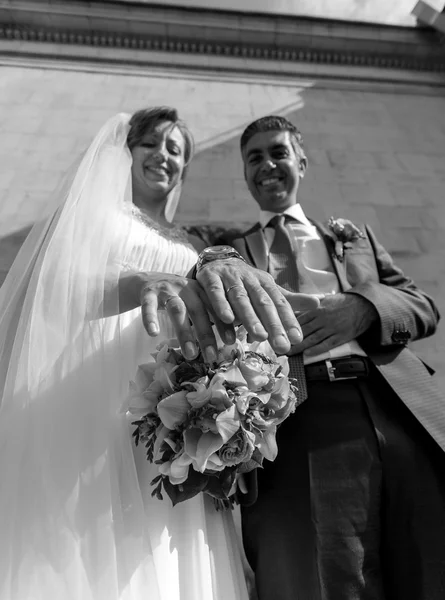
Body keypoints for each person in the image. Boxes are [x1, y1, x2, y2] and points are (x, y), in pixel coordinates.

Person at [0, 107, 318, 600]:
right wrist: (140, 282)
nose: (163, 156)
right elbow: (41, 296)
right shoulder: (89, 219)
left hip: (174, 420)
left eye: (177, 151)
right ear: (123, 153)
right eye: (151, 144)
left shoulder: (196, 243)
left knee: (170, 551)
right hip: (91, 406)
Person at [200, 115, 445, 600]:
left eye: (278, 153)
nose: (268, 165)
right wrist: (216, 258)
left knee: (428, 563)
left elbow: (422, 306)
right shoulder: (230, 248)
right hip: (296, 421)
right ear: (246, 176)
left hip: (394, 408)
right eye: (255, 158)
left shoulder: (355, 239)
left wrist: (362, 307)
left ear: (302, 163)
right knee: (319, 579)